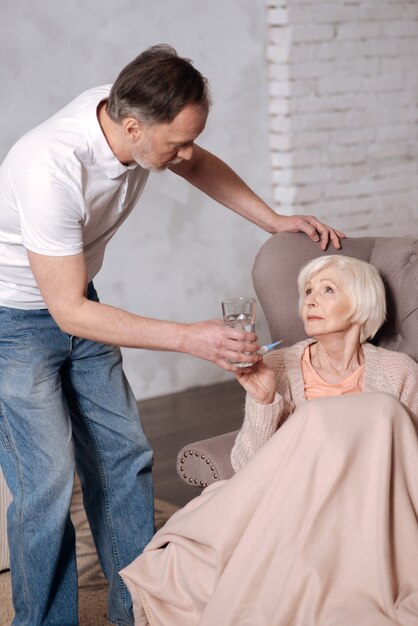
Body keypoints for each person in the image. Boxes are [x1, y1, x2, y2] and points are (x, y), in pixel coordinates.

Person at [0, 44, 344, 626]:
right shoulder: (46, 166)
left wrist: (274, 221)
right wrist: (191, 338)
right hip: (16, 320)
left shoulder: (128, 116)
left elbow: (199, 164)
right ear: (132, 127)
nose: (186, 154)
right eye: (175, 143)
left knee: (126, 456)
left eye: (192, 138)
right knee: (46, 486)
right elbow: (67, 313)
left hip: (80, 302)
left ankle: (140, 610)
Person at [121, 254, 418, 626]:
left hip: (367, 509)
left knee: (378, 412)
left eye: (327, 290)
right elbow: (249, 468)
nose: (310, 299)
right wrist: (263, 401)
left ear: (361, 303)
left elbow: (408, 458)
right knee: (189, 563)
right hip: (290, 500)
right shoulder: (278, 366)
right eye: (307, 290)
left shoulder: (400, 372)